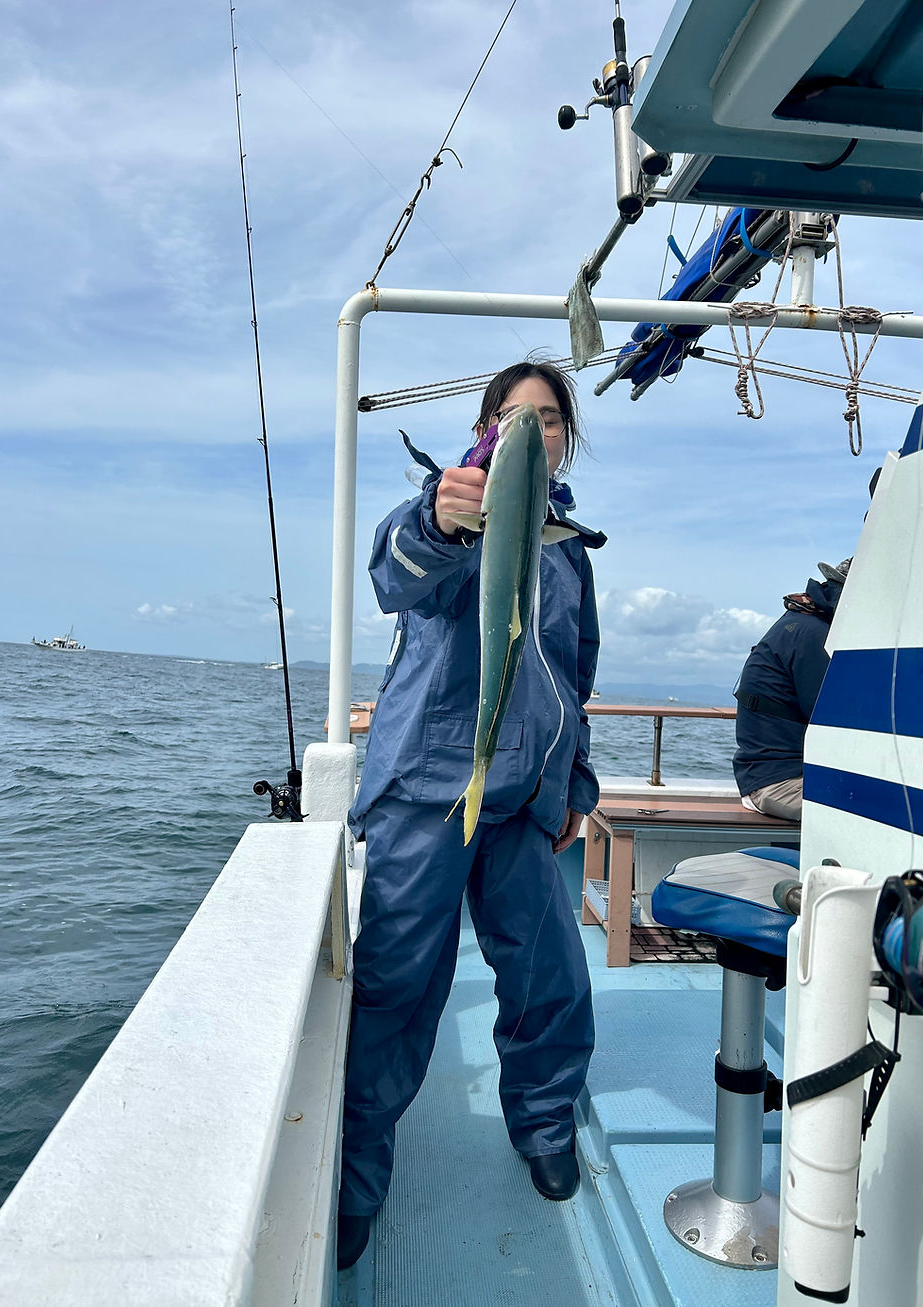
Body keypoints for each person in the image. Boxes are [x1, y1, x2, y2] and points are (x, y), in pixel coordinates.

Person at [337, 361, 606, 1270]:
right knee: (398, 983)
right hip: (427, 789)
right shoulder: (449, 506)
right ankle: (357, 1174)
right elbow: (394, 573)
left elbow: (573, 674)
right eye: (514, 414)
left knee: (549, 975)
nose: (534, 427)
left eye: (550, 417)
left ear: (566, 438)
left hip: (524, 796)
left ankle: (544, 1124)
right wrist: (440, 519)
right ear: (486, 429)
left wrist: (575, 782)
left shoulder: (568, 546)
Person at [733, 559, 850, 821]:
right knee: (886, 808)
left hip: (765, 777)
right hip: (780, 784)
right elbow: (833, 720)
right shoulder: (813, 635)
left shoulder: (799, 622)